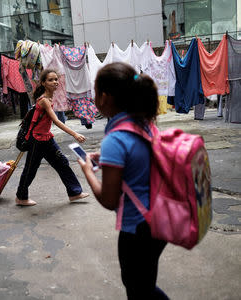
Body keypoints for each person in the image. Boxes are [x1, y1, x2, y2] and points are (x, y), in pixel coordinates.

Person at [78, 62, 169, 299]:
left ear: (105, 97)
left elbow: (109, 200)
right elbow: (138, 164)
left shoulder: (115, 140)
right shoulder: (145, 124)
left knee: (137, 288)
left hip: (139, 230)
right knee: (145, 284)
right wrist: (107, 160)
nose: (94, 98)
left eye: (95, 92)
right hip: (161, 219)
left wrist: (88, 170)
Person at [15, 69, 89, 206]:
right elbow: (56, 121)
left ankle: (74, 193)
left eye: (56, 79)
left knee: (62, 163)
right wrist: (75, 134)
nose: (55, 82)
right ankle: (21, 197)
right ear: (43, 83)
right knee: (30, 169)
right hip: (36, 140)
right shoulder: (44, 101)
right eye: (51, 80)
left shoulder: (48, 98)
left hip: (46, 139)